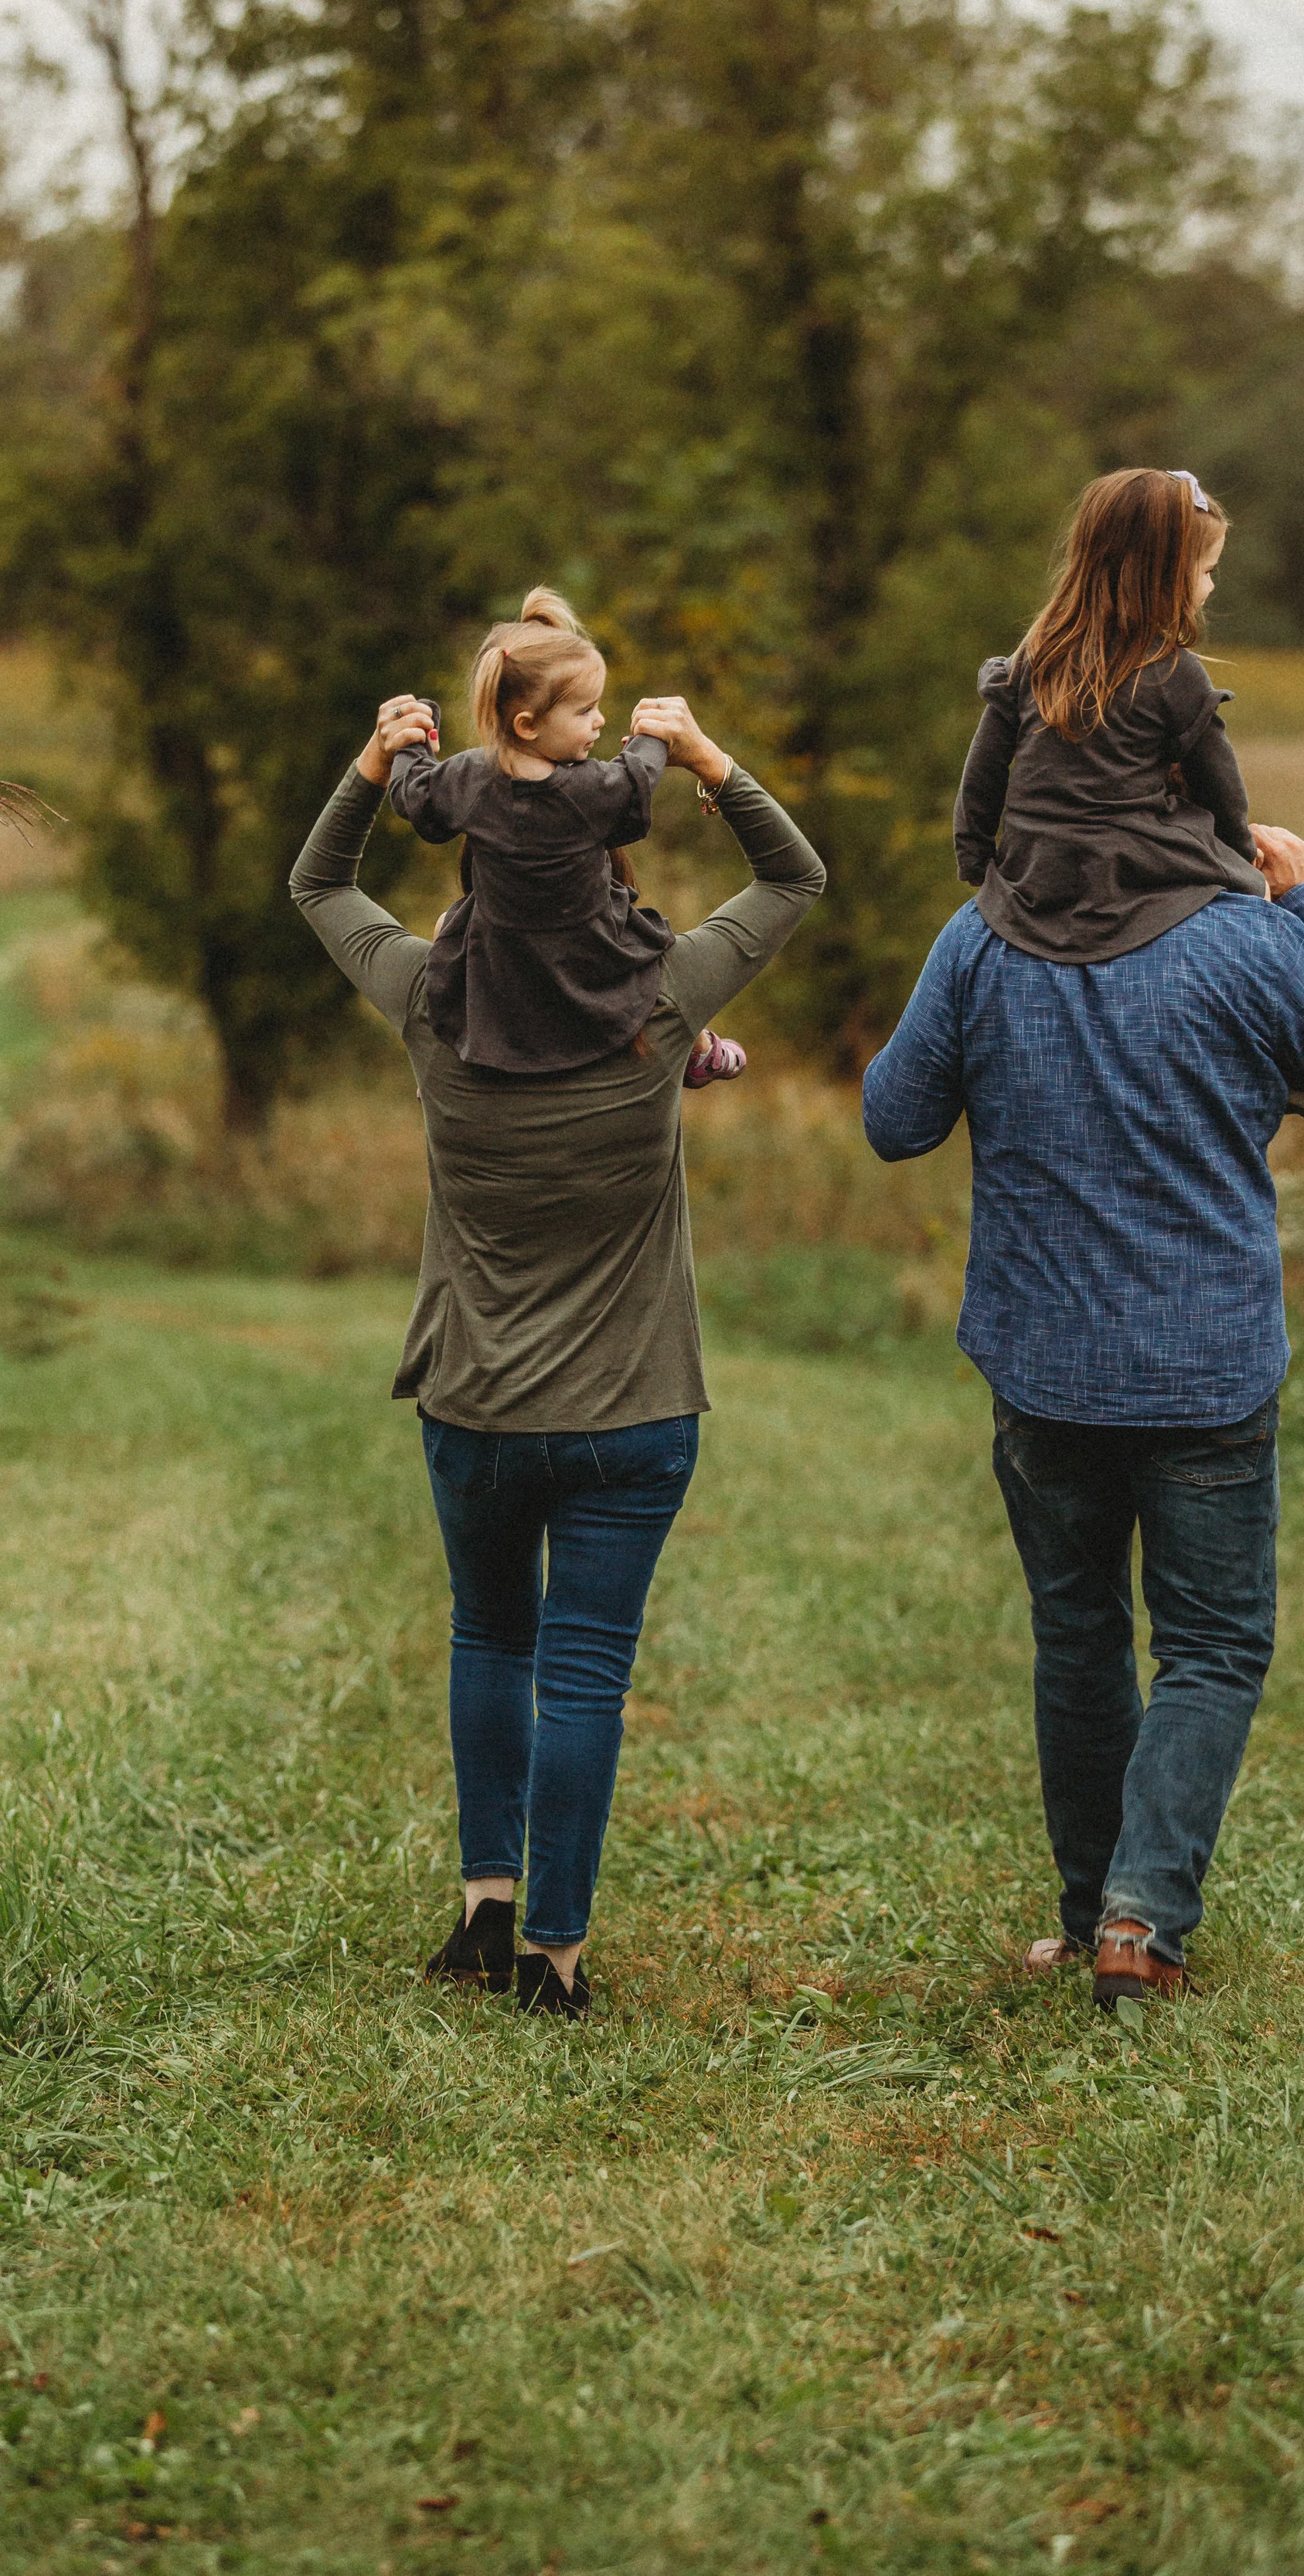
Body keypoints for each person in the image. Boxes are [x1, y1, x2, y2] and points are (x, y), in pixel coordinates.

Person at [863, 765, 1304, 2009]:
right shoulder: (1244, 936)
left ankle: (1090, 1919)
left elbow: (894, 1118)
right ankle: (1141, 1922)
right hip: (1207, 1360)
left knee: (1078, 1633)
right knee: (1214, 1646)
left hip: (1043, 1361)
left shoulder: (980, 938)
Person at [291, 688, 824, 2016]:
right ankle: (557, 1958)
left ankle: (483, 1912)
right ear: (600, 869)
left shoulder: (425, 999)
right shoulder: (663, 1004)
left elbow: (318, 881)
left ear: (477, 861)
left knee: (490, 1638)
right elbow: (794, 873)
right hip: (634, 1409)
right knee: (585, 1668)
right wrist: (704, 753)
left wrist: (374, 766)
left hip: (474, 1404)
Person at [953, 469, 1304, 1125]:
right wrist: (1240, 866)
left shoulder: (1033, 657)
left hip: (1035, 869)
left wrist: (978, 862)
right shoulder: (1173, 671)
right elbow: (1220, 788)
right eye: (1205, 571)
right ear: (1165, 577)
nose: (1210, 586)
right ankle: (1293, 1062)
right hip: (1134, 860)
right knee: (1263, 919)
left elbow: (983, 774)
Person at [388, 587, 747, 1094]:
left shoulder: (466, 777)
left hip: (500, 951)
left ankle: (458, 1057)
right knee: (648, 957)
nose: (600, 721)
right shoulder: (589, 790)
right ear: (528, 724)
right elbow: (636, 781)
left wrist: (414, 738)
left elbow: (414, 798)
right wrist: (654, 735)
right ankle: (701, 1049)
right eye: (586, 711)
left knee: (450, 927)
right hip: (591, 952)